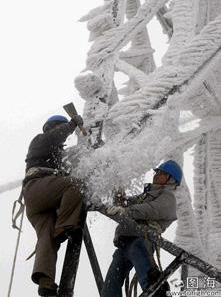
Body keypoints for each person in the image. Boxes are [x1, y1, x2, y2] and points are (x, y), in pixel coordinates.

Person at [22, 114, 85, 296]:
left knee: (46, 237)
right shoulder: (40, 140)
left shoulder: (57, 154)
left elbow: (77, 155)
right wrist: (72, 124)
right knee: (75, 183)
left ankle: (45, 282)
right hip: (38, 188)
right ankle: (64, 227)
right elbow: (56, 136)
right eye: (61, 129)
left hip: (38, 201)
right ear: (54, 127)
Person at [102, 160, 183, 297]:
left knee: (149, 278)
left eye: (161, 172)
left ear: (170, 179)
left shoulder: (168, 197)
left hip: (141, 240)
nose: (156, 174)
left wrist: (125, 211)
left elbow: (151, 210)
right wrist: (118, 188)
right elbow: (125, 204)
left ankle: (158, 293)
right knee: (111, 285)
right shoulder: (147, 195)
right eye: (156, 171)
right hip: (125, 243)